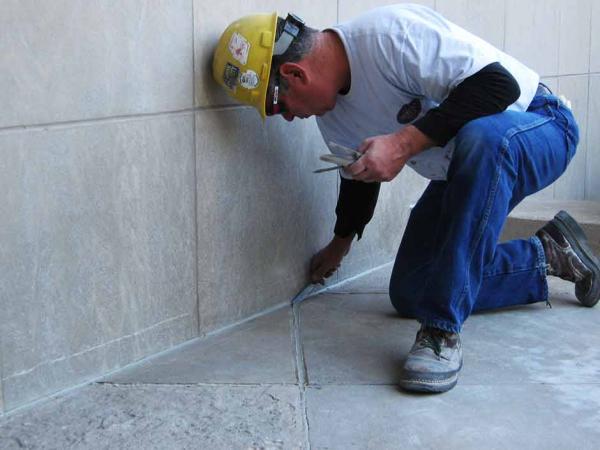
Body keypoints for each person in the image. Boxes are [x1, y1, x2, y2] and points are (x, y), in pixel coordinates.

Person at [212, 4, 600, 393]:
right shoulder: (331, 119)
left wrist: (402, 144)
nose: (289, 117)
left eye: (278, 106)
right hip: (464, 167)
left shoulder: (388, 37)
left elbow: (499, 87)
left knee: (484, 138)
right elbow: (359, 178)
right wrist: (340, 244)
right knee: (412, 289)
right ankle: (549, 253)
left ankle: (441, 331)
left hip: (539, 125)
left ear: (294, 74)